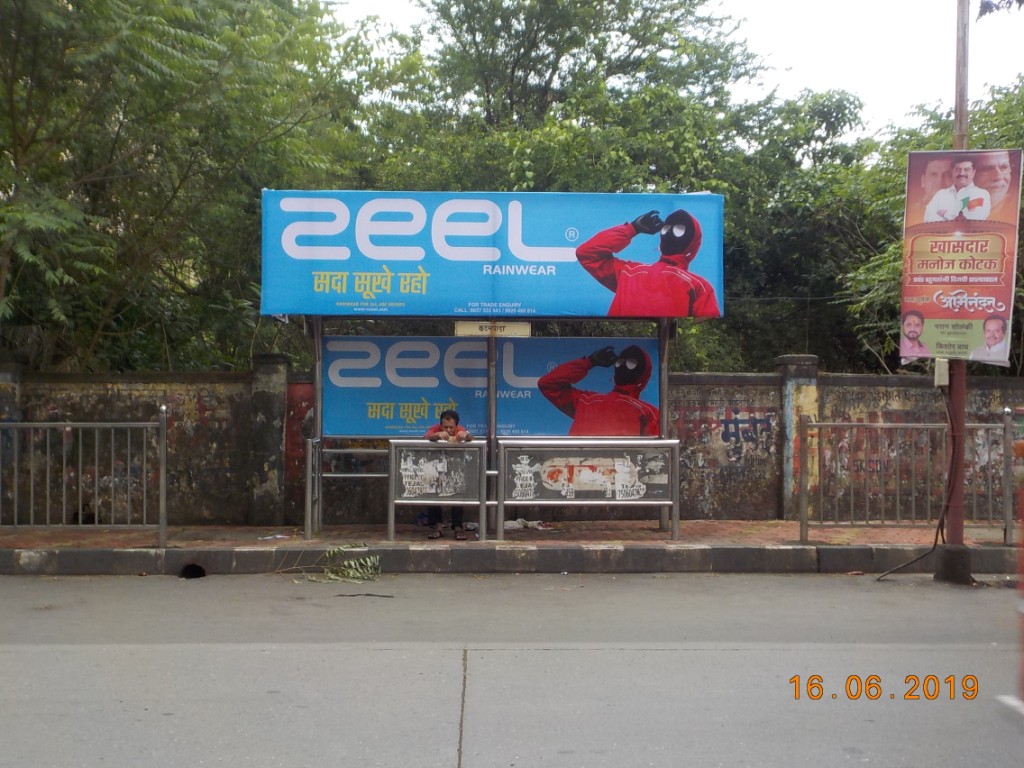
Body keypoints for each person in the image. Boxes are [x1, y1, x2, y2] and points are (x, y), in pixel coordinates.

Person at [575, 209, 720, 318]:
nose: (668, 233)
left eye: (679, 230)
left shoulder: (629, 272)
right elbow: (586, 253)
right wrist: (632, 228)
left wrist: (633, 229)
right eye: (666, 229)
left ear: (692, 241)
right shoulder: (699, 286)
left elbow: (587, 254)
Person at [538, 344, 660, 436]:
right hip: (621, 469)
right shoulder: (648, 413)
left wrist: (589, 362)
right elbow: (654, 457)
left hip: (576, 468)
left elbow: (548, 384)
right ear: (645, 377)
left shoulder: (586, 402)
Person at [422, 409, 473, 540]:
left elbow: (472, 438)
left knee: (457, 495)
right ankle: (437, 527)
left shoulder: (460, 429)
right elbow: (426, 436)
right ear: (440, 425)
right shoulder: (436, 429)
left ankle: (457, 527)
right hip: (436, 470)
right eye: (446, 427)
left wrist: (465, 435)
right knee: (433, 495)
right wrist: (437, 435)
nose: (449, 430)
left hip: (454, 469)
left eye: (451, 427)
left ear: (456, 426)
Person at [923, 156, 991, 222]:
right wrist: (957, 216)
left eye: (966, 169)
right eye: (958, 169)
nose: (961, 173)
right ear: (952, 172)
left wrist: (946, 214)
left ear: (973, 172)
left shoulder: (981, 194)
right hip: (943, 234)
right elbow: (929, 218)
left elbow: (973, 218)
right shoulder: (941, 195)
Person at [974, 149, 1016, 223]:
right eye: (987, 169)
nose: (998, 177)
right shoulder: (957, 209)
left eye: (1004, 167)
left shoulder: (1014, 209)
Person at [916, 156, 952, 221]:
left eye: (947, 174)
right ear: (923, 181)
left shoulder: (964, 208)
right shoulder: (913, 212)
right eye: (934, 174)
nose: (940, 179)